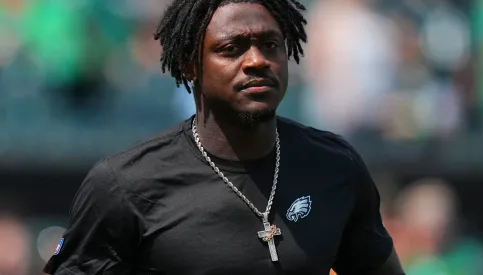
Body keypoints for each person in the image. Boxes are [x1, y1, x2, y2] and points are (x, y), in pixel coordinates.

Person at [43, 0, 405, 274]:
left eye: (270, 45)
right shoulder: (124, 185)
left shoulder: (334, 167)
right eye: (232, 48)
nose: (257, 61)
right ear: (190, 64)